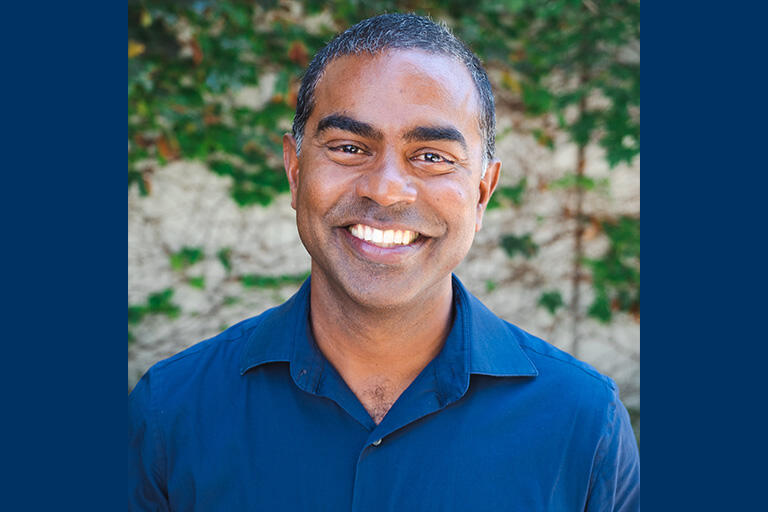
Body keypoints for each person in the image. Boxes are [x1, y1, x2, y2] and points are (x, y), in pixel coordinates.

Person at [129, 13, 640, 511]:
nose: (387, 190)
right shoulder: (170, 413)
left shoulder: (584, 426)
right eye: (350, 147)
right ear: (294, 169)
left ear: (482, 193)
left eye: (432, 155)